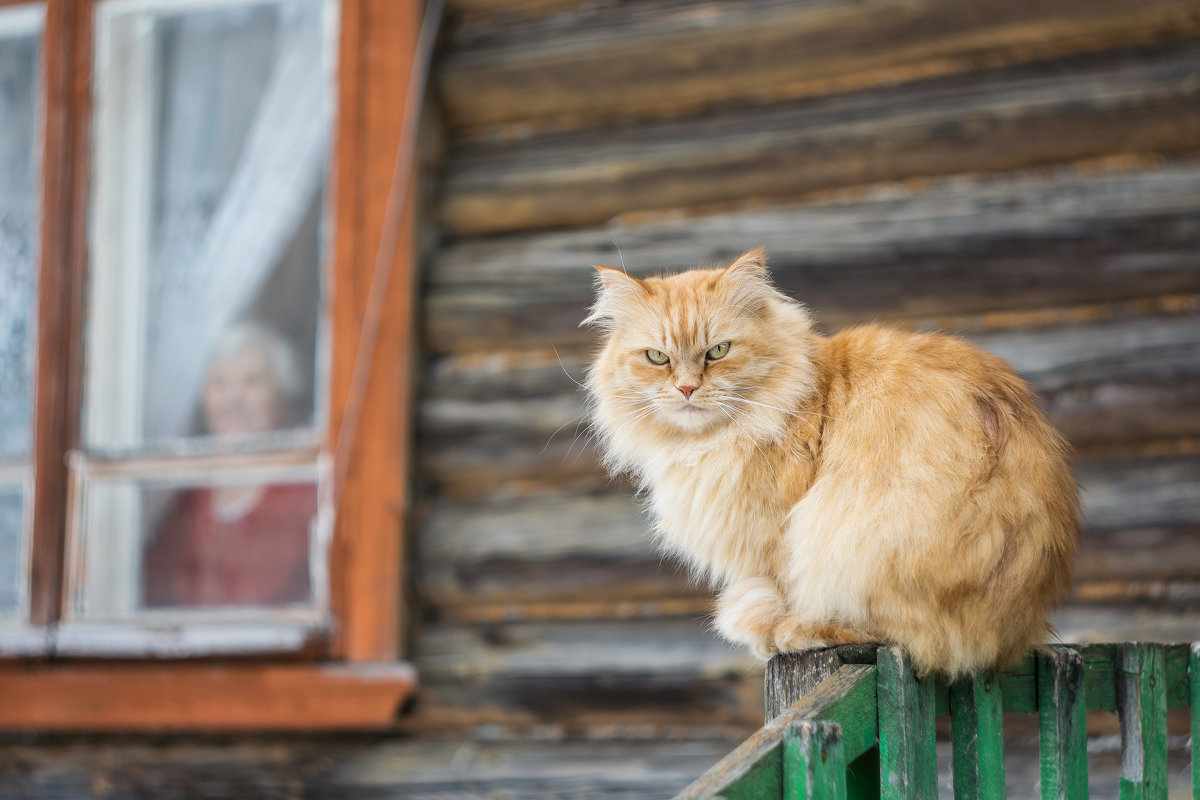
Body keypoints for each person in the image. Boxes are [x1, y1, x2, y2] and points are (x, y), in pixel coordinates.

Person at [141, 322, 317, 608]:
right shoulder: (182, 496)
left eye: (252, 381)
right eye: (219, 383)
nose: (234, 399)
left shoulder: (307, 489)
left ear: (282, 396)